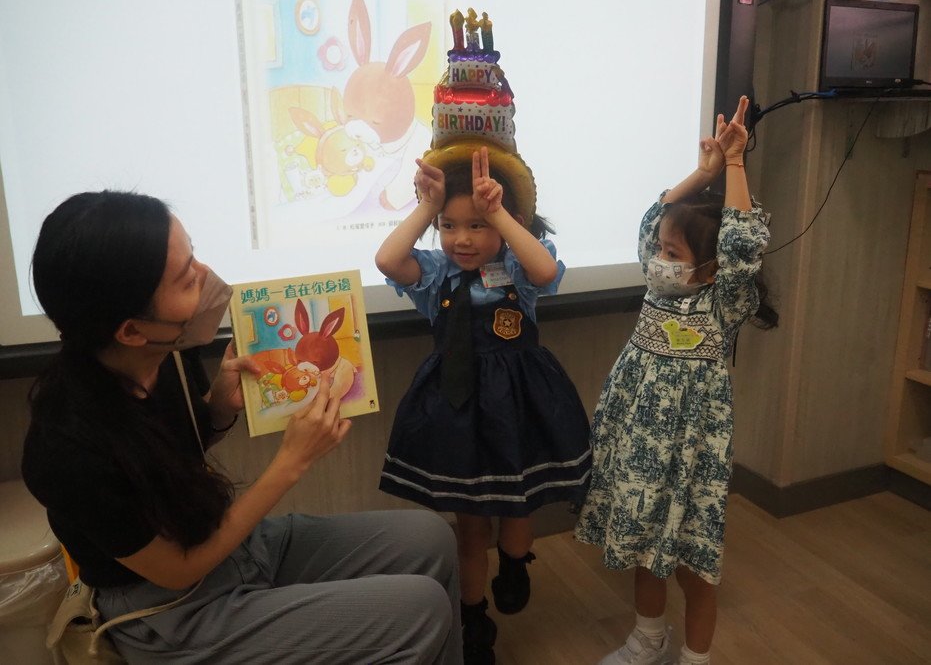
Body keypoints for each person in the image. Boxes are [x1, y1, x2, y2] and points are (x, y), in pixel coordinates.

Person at [21, 190, 464, 665]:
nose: (205, 276)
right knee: (420, 608)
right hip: (170, 610)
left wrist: (216, 409)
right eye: (186, 278)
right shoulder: (67, 448)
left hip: (231, 546)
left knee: (431, 537)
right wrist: (291, 461)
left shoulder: (164, 356)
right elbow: (177, 569)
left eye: (193, 257)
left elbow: (166, 458)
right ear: (131, 330)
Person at [575, 96, 778, 665]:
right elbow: (653, 218)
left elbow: (741, 245)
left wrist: (734, 163)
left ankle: (695, 657)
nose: (659, 258)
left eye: (673, 252)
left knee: (691, 560)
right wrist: (704, 172)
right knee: (644, 547)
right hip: (639, 444)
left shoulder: (721, 303)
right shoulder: (658, 288)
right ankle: (647, 639)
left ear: (710, 270)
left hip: (689, 453)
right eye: (661, 250)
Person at [376, 148, 592, 664]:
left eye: (477, 225)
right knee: (470, 524)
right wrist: (426, 208)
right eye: (449, 226)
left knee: (518, 505)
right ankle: (473, 619)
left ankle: (515, 561)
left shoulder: (516, 266)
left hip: (519, 406)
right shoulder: (436, 274)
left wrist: (499, 214)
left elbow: (545, 270)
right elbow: (387, 260)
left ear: (506, 220)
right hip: (458, 412)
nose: (462, 239)